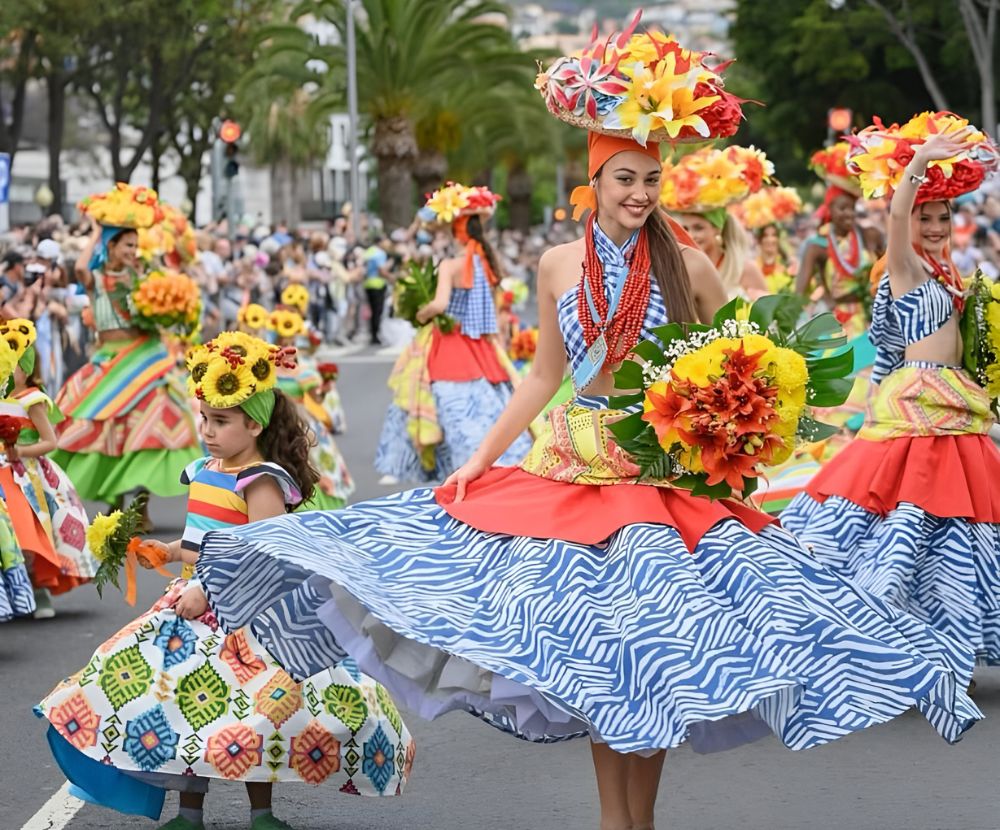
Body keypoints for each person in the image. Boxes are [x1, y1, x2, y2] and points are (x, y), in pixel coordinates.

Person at [197, 89, 978, 830]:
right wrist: (482, 460)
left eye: (650, 179)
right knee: (605, 661)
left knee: (652, 657)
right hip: (575, 470)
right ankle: (617, 821)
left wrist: (741, 432)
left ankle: (636, 821)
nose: (639, 193)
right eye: (625, 179)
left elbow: (748, 359)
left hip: (661, 480)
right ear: (593, 180)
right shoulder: (556, 265)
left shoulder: (691, 266)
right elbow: (543, 376)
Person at [36, 332, 414, 830]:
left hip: (246, 615)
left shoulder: (260, 481)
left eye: (221, 421)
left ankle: (262, 813)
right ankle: (189, 813)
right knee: (188, 709)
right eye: (205, 419)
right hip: (192, 606)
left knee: (253, 714)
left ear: (253, 424)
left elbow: (260, 554)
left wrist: (207, 589)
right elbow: (203, 540)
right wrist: (165, 552)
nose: (208, 431)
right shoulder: (206, 470)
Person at [781, 118, 1000, 669]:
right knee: (909, 521)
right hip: (918, 402)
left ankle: (947, 640)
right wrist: (920, 162)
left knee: (955, 529)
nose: (931, 224)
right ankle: (904, 637)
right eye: (924, 216)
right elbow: (897, 214)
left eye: (941, 216)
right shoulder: (902, 268)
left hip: (956, 400)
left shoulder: (953, 272)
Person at [50, 192, 201, 520]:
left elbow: (164, 301)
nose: (133, 251)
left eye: (135, 245)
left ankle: (142, 502)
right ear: (111, 246)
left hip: (145, 357)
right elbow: (78, 266)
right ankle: (116, 501)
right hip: (108, 358)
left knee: (151, 429)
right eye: (126, 245)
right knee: (105, 428)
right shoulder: (97, 279)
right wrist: (95, 232)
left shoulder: (143, 277)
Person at [374, 183, 534, 484]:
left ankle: (451, 469)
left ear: (454, 231)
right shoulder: (484, 261)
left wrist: (421, 313)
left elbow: (440, 304)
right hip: (481, 343)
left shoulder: (450, 264)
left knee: (437, 404)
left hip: (448, 343)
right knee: (490, 399)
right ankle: (497, 461)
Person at [0, 319, 97, 618]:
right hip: (4, 471)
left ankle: (40, 587)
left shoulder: (33, 400)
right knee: (11, 533)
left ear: (26, 368)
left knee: (33, 530)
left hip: (30, 475)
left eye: (13, 367)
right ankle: (18, 591)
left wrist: (20, 452)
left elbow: (50, 441)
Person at [660, 145, 770, 300]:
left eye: (699, 228)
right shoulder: (679, 269)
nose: (690, 235)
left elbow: (772, 318)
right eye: (685, 228)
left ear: (717, 229)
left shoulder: (744, 270)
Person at [796, 143, 884, 337]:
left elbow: (890, 274)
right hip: (836, 323)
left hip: (873, 321)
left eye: (852, 208)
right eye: (842, 208)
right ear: (829, 209)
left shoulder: (871, 235)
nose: (849, 214)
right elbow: (798, 293)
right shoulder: (817, 246)